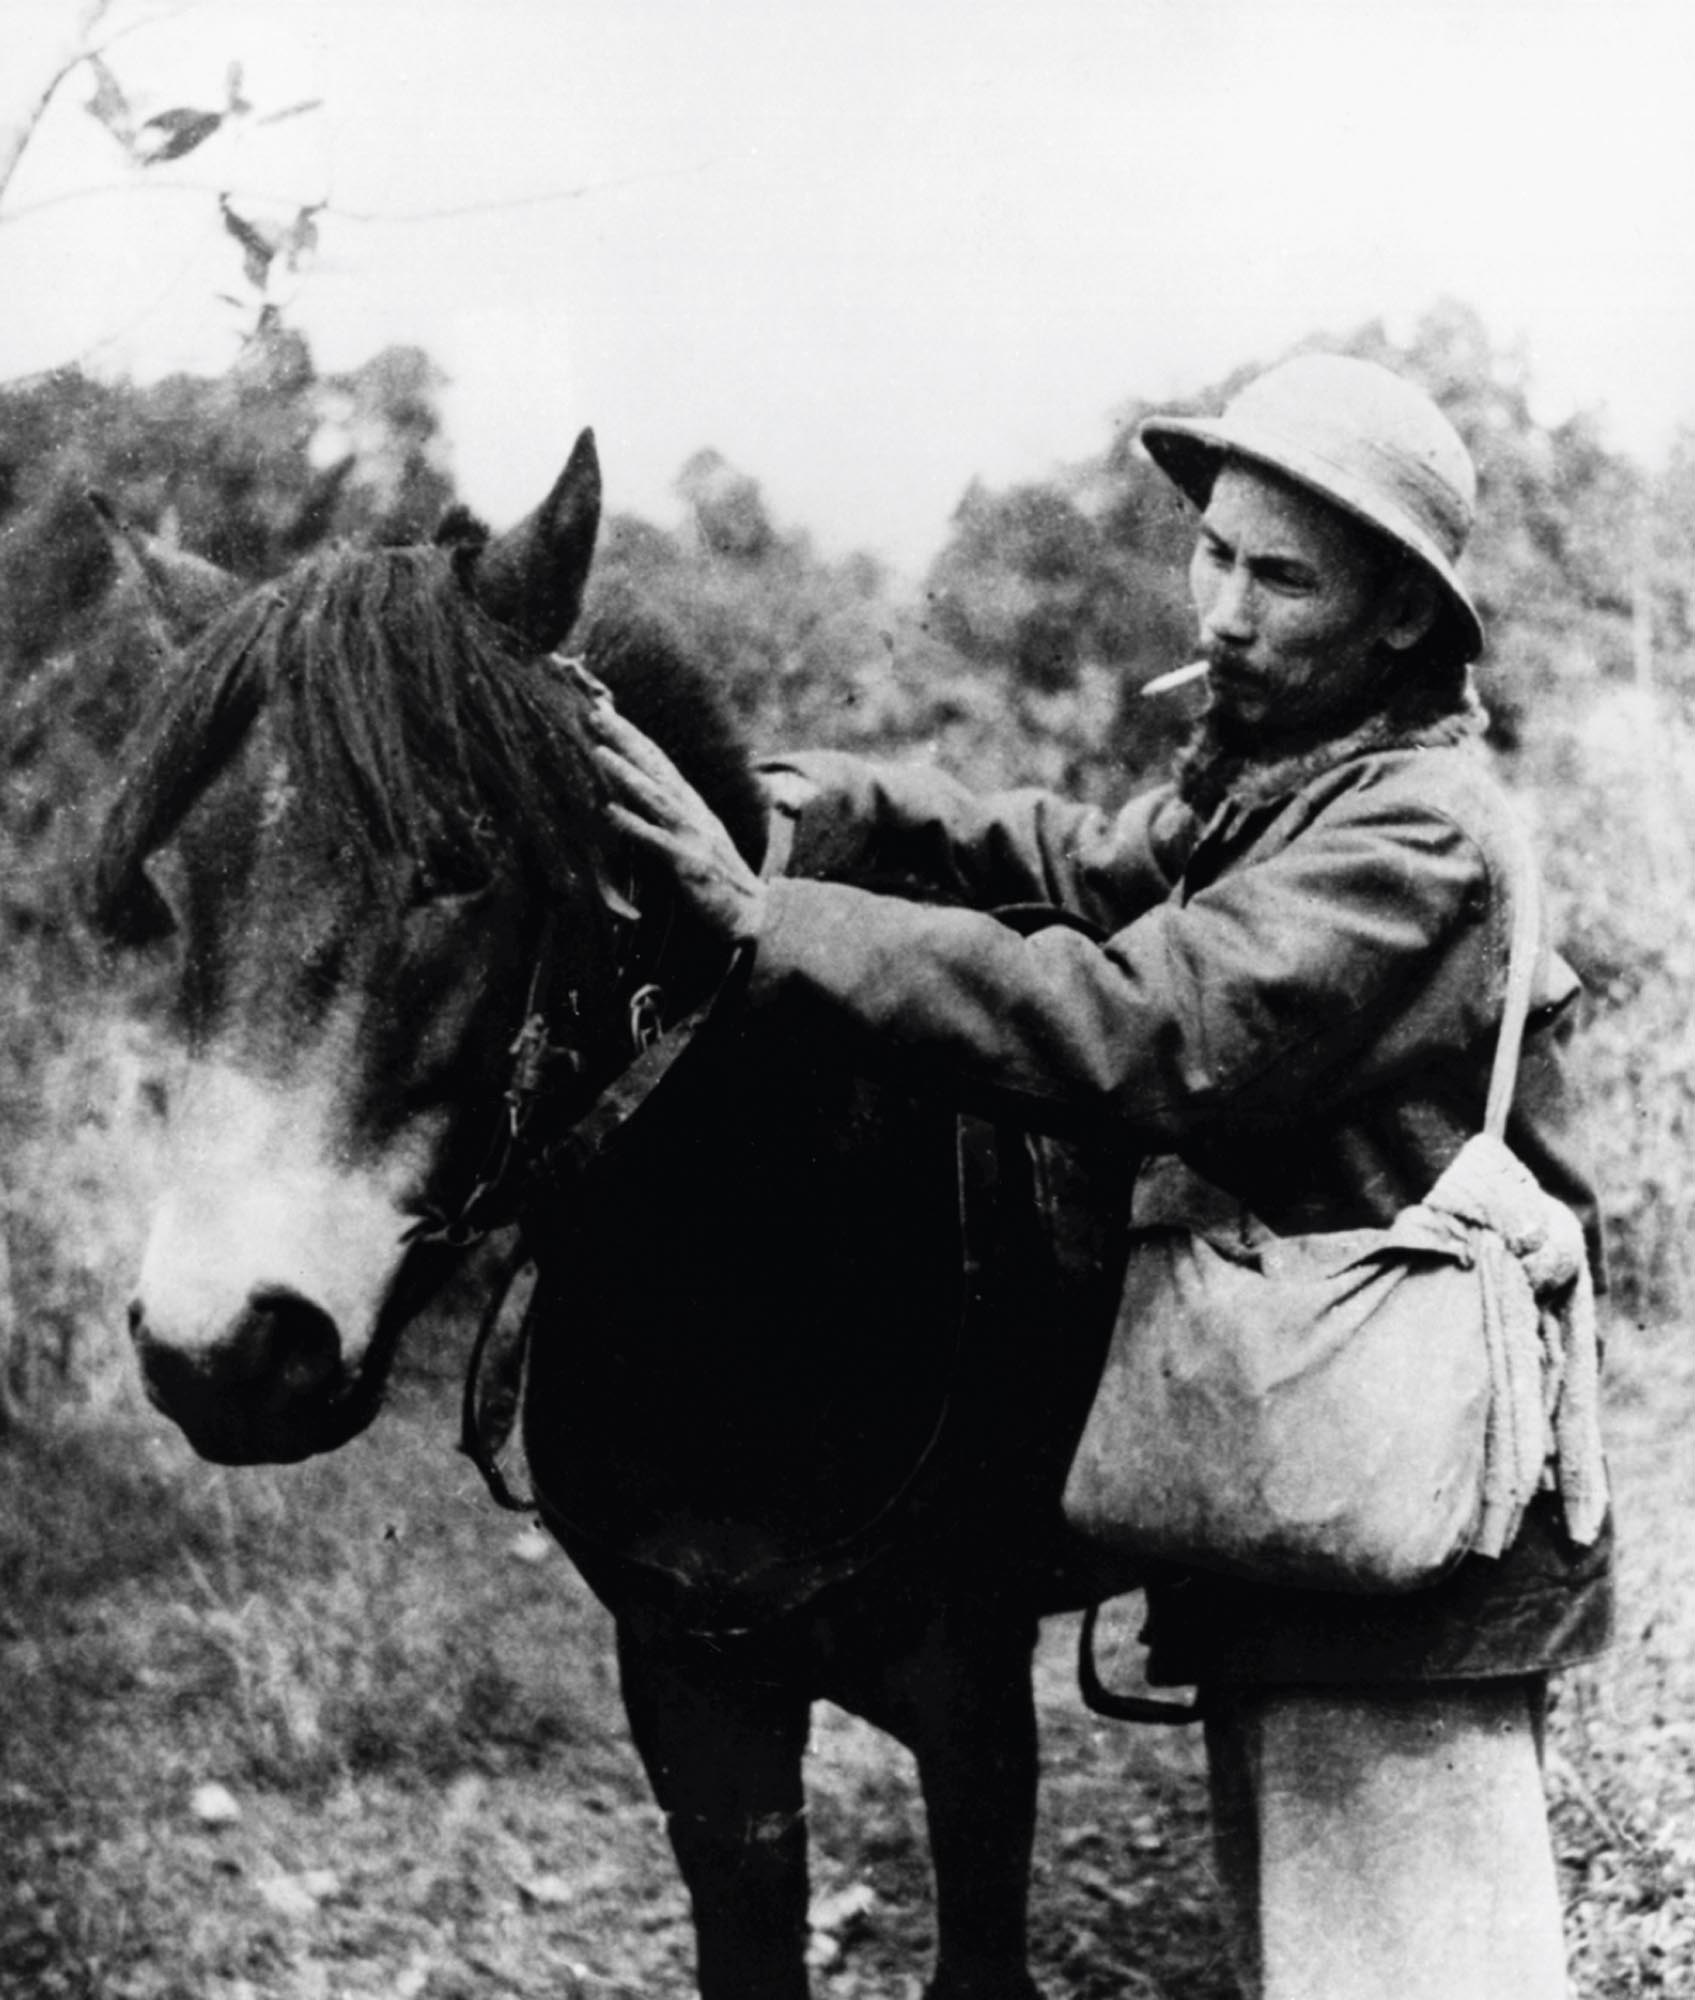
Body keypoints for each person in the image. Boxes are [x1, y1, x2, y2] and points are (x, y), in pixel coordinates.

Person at [588, 352, 1613, 2000]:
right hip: (1322, 1479)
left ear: (1404, 619)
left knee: (1410, 1958)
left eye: (1284, 576)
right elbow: (1075, 857)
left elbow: (1152, 1026)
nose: (1224, 609)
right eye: (1215, 551)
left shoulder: (1407, 836)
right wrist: (847, 800)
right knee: (1313, 1940)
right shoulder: (1291, 793)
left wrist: (761, 922)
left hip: (1407, 1507)